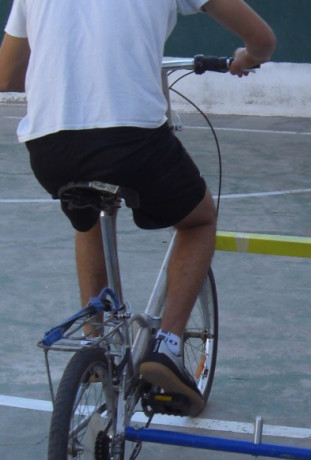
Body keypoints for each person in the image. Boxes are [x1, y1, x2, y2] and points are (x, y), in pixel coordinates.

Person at [0, 0, 275, 417]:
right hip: (131, 140)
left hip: (49, 146)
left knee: (86, 210)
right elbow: (262, 39)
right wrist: (246, 58)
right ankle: (166, 345)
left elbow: (7, 76)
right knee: (198, 220)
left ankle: (98, 340)